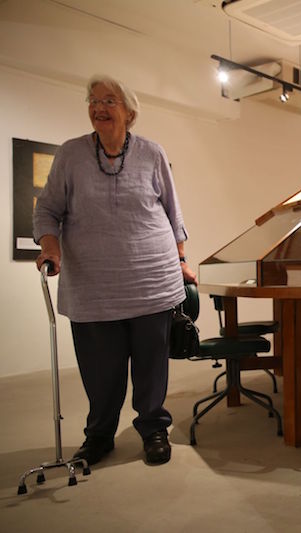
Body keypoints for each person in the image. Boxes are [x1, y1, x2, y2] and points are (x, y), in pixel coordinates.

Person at [33, 74, 197, 466]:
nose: (98, 107)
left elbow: (173, 214)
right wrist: (50, 248)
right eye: (93, 100)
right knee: (101, 371)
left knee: (150, 365)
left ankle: (154, 429)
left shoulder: (151, 152)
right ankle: (100, 435)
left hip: (152, 279)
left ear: (129, 111)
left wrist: (180, 261)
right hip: (93, 285)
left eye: (109, 101)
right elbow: (47, 210)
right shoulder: (71, 154)